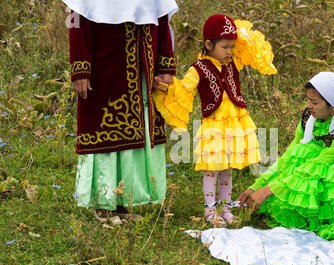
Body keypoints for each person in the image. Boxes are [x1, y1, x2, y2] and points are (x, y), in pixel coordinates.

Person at [153, 15, 277, 227]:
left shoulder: (233, 62)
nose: (229, 51)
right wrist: (166, 88)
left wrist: (243, 35)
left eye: (231, 46)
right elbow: (184, 90)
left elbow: (252, 50)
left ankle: (226, 207)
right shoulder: (198, 68)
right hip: (214, 125)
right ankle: (210, 209)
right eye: (225, 46)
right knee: (212, 168)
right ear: (209, 44)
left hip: (235, 124)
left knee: (227, 167)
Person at [63, 0, 179, 223]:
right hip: (103, 70)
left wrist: (165, 67)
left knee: (136, 133)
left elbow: (162, 19)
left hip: (144, 70)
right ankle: (103, 204)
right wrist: (80, 69)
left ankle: (124, 201)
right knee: (105, 134)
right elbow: (76, 22)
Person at [238, 72, 334, 241]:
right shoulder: (310, 120)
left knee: (331, 171)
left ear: (333, 106)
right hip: (306, 178)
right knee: (300, 154)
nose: (309, 106)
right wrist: (257, 186)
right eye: (307, 99)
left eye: (314, 102)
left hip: (333, 191)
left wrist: (268, 191)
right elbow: (288, 158)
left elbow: (313, 170)